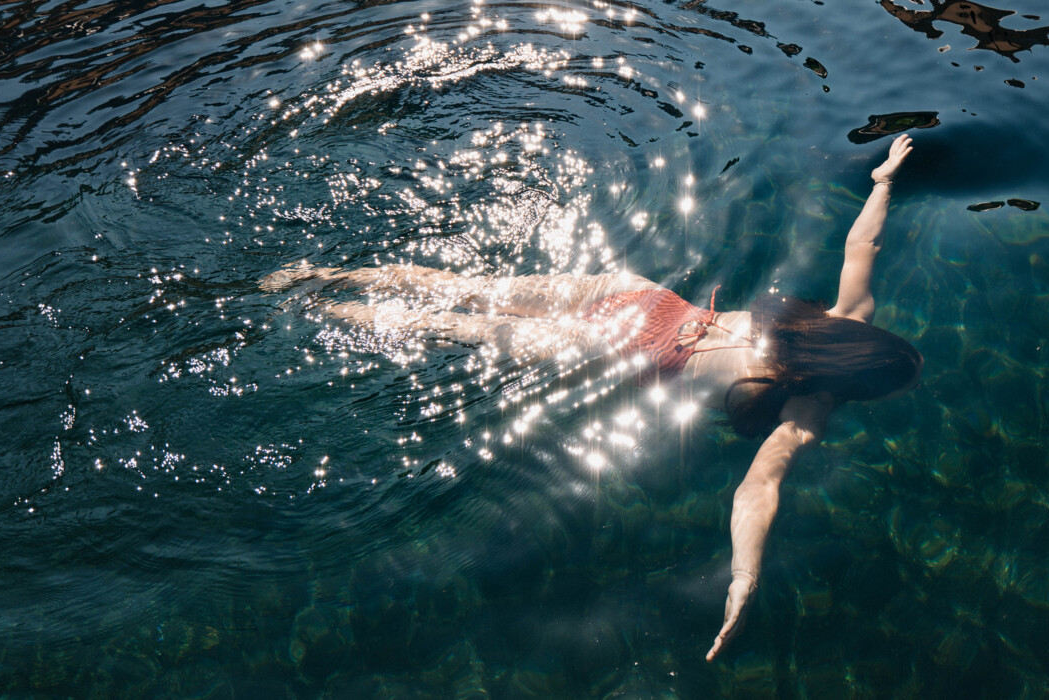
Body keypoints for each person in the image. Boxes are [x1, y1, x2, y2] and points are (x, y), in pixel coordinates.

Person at [262, 134, 920, 661]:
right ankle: (324, 310)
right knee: (460, 329)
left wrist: (883, 181)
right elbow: (759, 489)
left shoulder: (847, 315)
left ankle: (321, 275)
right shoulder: (810, 410)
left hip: (640, 297)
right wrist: (745, 576)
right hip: (621, 348)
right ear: (861, 386)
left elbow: (862, 243)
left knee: (470, 291)